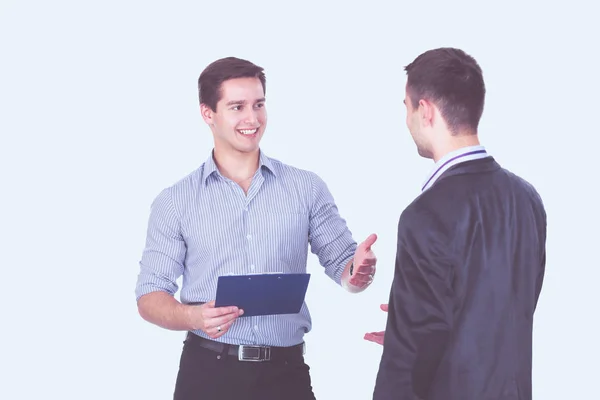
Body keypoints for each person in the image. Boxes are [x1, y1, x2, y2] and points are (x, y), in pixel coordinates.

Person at [134, 56, 378, 400]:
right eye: (237, 107)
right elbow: (149, 296)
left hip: (286, 374)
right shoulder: (175, 201)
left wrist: (358, 271)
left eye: (259, 104)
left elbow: (343, 265)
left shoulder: (306, 187)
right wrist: (193, 316)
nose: (253, 118)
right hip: (207, 373)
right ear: (208, 114)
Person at [366, 48, 547, 400]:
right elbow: (509, 309)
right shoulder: (527, 199)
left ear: (426, 110)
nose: (406, 119)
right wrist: (409, 329)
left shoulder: (425, 214)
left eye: (406, 106)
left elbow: (407, 368)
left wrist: (408, 341)